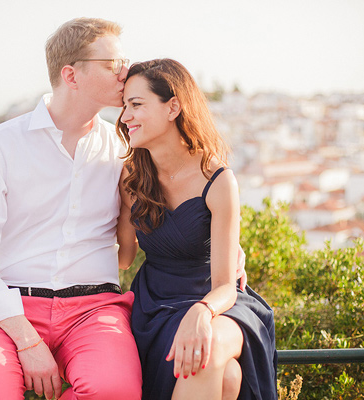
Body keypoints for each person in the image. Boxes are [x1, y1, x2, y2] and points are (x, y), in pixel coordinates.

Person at [0, 18, 142, 400]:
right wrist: (27, 340)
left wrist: (223, 244)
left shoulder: (125, 148)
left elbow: (179, 198)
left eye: (126, 61)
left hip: (95, 310)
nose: (127, 72)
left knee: (115, 391)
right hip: (7, 309)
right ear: (71, 75)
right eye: (113, 63)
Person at [116, 59, 278, 400]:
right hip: (156, 309)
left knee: (206, 354)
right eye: (124, 106)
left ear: (173, 106)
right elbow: (123, 258)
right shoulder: (130, 179)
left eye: (137, 105)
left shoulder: (218, 180)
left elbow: (225, 286)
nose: (125, 116)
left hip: (220, 304)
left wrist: (202, 311)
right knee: (229, 377)